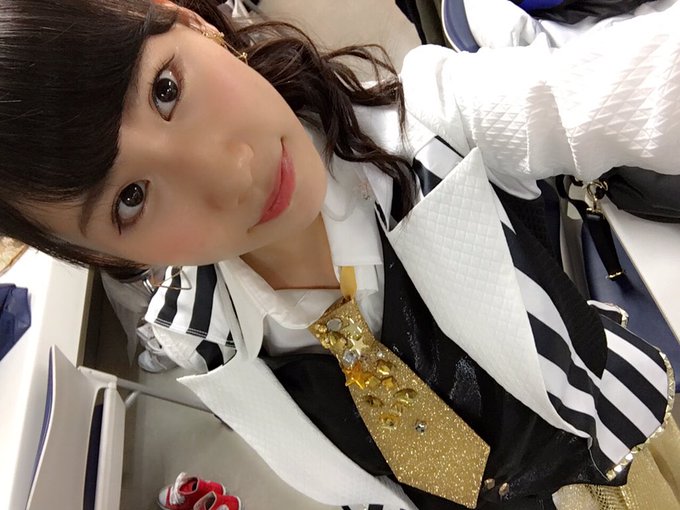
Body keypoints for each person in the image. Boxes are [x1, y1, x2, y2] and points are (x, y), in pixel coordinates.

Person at [0, 0, 678, 508]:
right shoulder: (200, 339)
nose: (235, 174)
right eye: (131, 199)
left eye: (165, 90)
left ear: (192, 22)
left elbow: (626, 87)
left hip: (611, 438)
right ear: (107, 260)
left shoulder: (436, 123)